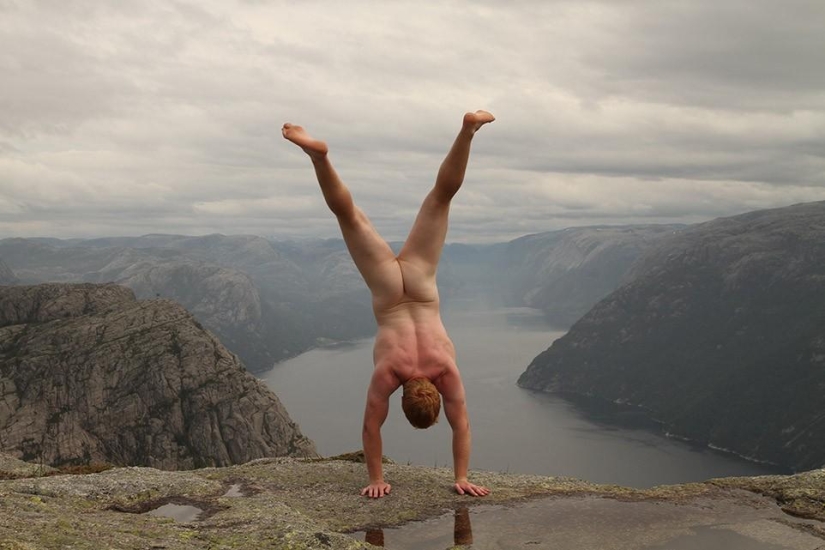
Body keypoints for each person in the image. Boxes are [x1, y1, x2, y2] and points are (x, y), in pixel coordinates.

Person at [282, 110, 494, 498]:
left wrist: (458, 474)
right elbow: (372, 428)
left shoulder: (445, 371)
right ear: (405, 397)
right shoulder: (391, 373)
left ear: (430, 392)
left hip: (421, 282)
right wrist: (380, 480)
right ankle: (319, 158)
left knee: (441, 198)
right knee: (346, 216)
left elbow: (460, 423)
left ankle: (468, 130)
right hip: (387, 292)